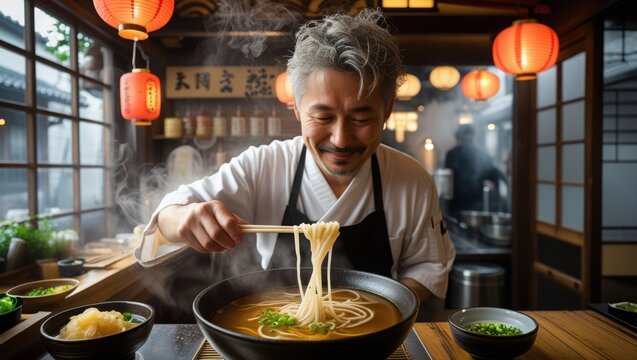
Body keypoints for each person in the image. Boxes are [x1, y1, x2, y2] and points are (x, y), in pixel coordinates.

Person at [135, 9, 455, 303]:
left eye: (361, 119)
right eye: (324, 117)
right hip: (276, 333)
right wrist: (185, 219)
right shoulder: (265, 166)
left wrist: (375, 313)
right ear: (298, 109)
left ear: (387, 109)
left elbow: (428, 268)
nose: (340, 139)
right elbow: (166, 218)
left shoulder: (411, 179)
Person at [444, 124, 506, 217]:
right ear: (474, 136)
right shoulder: (483, 153)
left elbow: (448, 181)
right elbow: (493, 176)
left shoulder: (452, 154)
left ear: (457, 136)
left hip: (457, 202)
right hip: (478, 202)